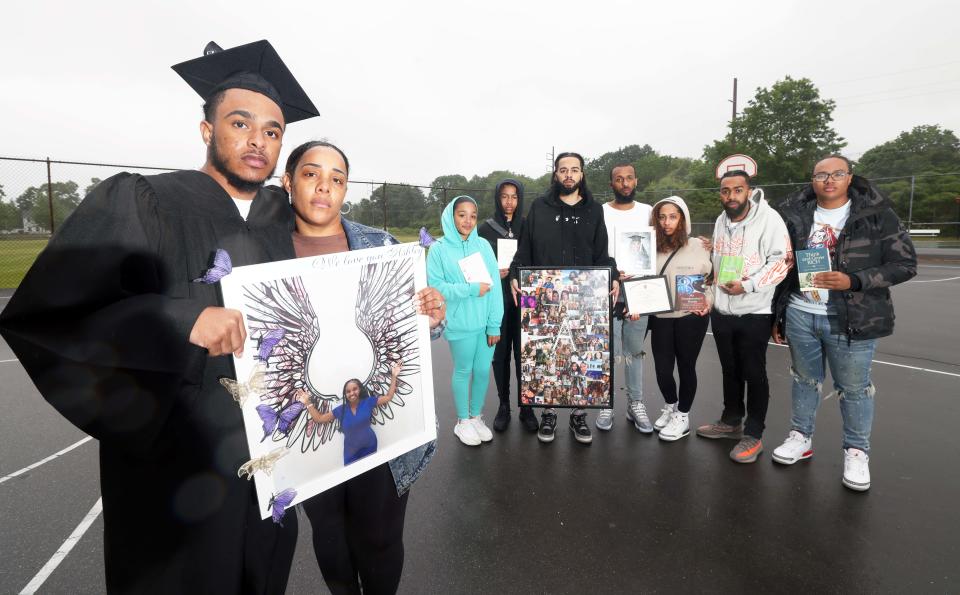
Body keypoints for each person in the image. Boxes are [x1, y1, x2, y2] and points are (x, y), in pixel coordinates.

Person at [0, 40, 325, 593]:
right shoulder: (145, 201)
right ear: (206, 130)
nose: (257, 141)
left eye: (272, 132)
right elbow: (55, 315)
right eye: (240, 123)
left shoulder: (278, 217)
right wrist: (182, 320)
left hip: (266, 468)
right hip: (175, 476)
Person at [281, 140, 444, 594]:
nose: (324, 188)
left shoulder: (380, 245)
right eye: (312, 174)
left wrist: (431, 314)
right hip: (311, 446)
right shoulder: (260, 253)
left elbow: (416, 334)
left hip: (381, 436)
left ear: (346, 189)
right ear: (287, 182)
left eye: (337, 179)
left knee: (380, 538)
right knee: (330, 540)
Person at [770, 155, 916, 491]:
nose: (829, 180)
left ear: (850, 178)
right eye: (821, 174)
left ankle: (856, 450)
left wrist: (854, 281)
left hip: (854, 315)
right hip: (801, 311)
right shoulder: (794, 214)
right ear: (812, 179)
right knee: (804, 379)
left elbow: (905, 263)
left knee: (853, 388)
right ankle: (800, 436)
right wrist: (779, 313)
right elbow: (782, 264)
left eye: (837, 173)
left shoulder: (875, 215)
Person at [510, 152, 619, 444]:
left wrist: (614, 275)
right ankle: (548, 413)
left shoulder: (594, 210)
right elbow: (525, 250)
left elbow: (602, 253)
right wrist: (514, 275)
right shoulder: (539, 208)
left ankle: (578, 417)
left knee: (580, 355)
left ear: (582, 174)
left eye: (574, 170)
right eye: (563, 170)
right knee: (546, 356)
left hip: (583, 300)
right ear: (555, 174)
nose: (568, 175)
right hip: (546, 299)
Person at [696, 170, 792, 463]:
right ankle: (731, 420)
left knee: (753, 372)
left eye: (737, 190)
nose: (731, 196)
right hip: (724, 311)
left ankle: (754, 433)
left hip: (754, 310)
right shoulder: (721, 221)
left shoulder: (769, 219)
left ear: (748, 191)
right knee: (730, 370)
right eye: (725, 191)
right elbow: (720, 261)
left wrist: (748, 285)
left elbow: (783, 261)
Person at [428, 195, 503, 446]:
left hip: (485, 324)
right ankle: (462, 421)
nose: (468, 220)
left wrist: (495, 323)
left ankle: (475, 416)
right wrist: (470, 289)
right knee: (464, 370)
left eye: (473, 215)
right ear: (451, 216)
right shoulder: (438, 249)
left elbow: (495, 288)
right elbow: (436, 287)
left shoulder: (483, 246)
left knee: (482, 370)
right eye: (462, 214)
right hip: (460, 324)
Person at [646, 197, 713, 442]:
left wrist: (709, 300)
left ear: (683, 218)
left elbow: (714, 278)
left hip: (690, 315)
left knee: (686, 366)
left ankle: (683, 416)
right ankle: (671, 405)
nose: (667, 222)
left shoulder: (700, 245)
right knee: (662, 369)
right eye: (662, 216)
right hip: (661, 315)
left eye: (673, 216)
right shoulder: (649, 246)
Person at [597, 163, 654, 433]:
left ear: (636, 180)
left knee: (634, 351)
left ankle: (636, 402)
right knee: (609, 351)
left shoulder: (648, 211)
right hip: (608, 290)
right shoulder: (601, 212)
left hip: (640, 291)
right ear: (612, 184)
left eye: (629, 178)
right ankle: (606, 403)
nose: (624, 183)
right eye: (619, 179)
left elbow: (664, 242)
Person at [478, 179, 538, 433]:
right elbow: (474, 266)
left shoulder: (529, 227)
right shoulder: (485, 230)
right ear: (497, 198)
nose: (509, 202)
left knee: (525, 355)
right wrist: (493, 273)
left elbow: (538, 258)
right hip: (497, 301)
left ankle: (527, 405)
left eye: (514, 196)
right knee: (500, 356)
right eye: (504, 196)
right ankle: (504, 405)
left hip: (526, 301)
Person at [297, 362, 402, 466]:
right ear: (345, 394)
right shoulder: (340, 410)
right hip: (351, 454)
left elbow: (388, 397)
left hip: (370, 446)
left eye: (355, 389)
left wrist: (393, 376)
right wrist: (307, 402)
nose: (352, 393)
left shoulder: (369, 402)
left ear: (360, 389)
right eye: (348, 391)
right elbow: (319, 418)